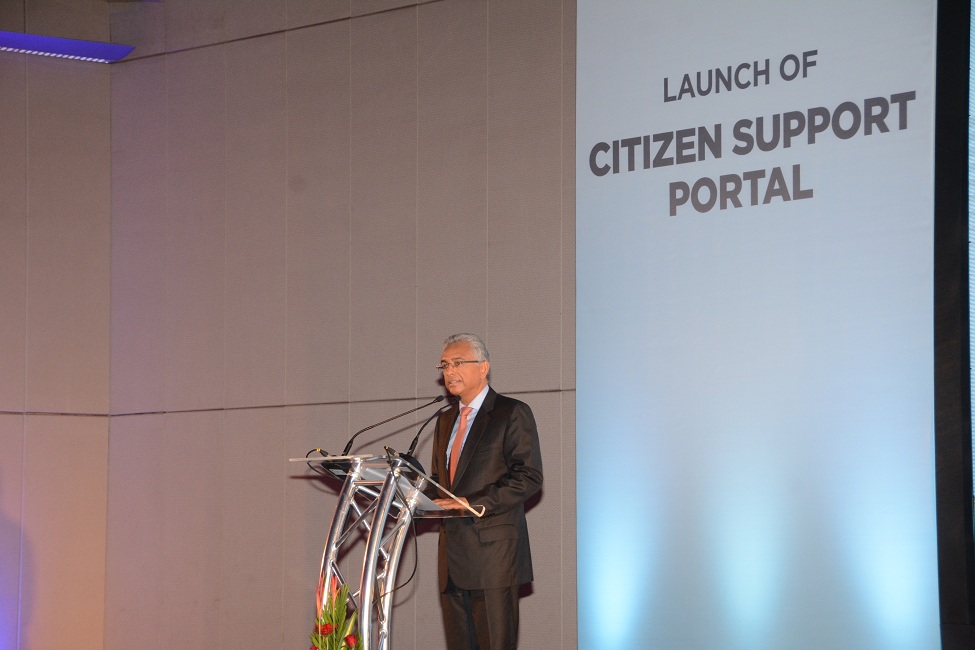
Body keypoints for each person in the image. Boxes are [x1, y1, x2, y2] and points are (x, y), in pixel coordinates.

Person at [429, 333, 543, 650]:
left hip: (494, 558)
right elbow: (439, 481)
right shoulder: (444, 420)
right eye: (444, 365)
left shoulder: (510, 412)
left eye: (458, 363)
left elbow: (529, 476)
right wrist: (409, 492)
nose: (449, 371)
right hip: (452, 560)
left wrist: (473, 503)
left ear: (483, 367)